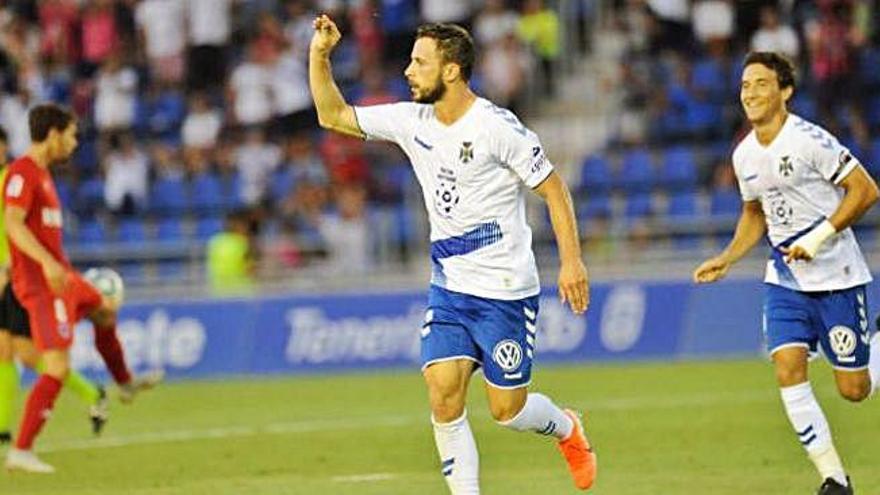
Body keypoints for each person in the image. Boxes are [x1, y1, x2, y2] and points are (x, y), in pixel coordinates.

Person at [309, 17, 596, 493]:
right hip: (449, 288)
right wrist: (320, 54)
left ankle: (567, 428)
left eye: (420, 62)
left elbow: (554, 189)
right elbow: (332, 115)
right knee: (443, 395)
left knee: (509, 411)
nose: (407, 70)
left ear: (451, 71)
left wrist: (572, 262)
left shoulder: (496, 127)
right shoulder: (411, 120)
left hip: (504, 290)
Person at [693, 52, 880, 495]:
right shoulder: (743, 157)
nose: (751, 93)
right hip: (785, 280)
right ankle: (834, 479)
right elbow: (754, 214)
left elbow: (866, 190)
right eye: (744, 86)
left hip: (837, 276)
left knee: (854, 389)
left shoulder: (809, 140)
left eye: (760, 83)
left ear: (785, 91)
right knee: (787, 368)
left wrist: (817, 239)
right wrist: (729, 256)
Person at [3, 105, 162, 473]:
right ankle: (21, 450)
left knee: (104, 307)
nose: (75, 144)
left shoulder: (42, 176)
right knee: (57, 367)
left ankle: (123, 384)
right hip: (42, 285)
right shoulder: (22, 174)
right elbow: (13, 224)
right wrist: (44, 262)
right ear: (54, 133)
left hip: (64, 278)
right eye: (72, 135)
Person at [0, 126, 110, 444]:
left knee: (27, 355)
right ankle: (4, 426)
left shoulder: (14, 179)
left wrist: (9, 266)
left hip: (18, 275)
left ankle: (92, 392)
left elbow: (20, 225)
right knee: (7, 350)